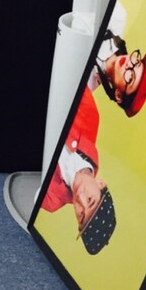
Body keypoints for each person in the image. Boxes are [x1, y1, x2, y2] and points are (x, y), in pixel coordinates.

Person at [40, 85, 117, 255]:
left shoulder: (50, 200)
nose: (80, 198)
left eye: (81, 215)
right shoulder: (91, 117)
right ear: (100, 184)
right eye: (90, 200)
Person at [88, 0, 146, 116]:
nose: (129, 64)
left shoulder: (86, 86)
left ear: (118, 94)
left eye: (130, 78)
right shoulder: (117, 17)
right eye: (137, 63)